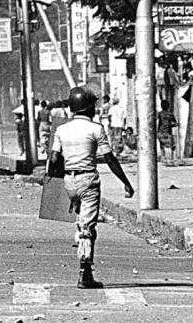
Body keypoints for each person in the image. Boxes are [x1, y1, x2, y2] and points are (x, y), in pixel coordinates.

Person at [49, 87, 134, 289]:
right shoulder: (96, 129)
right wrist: (126, 182)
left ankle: (80, 243)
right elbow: (110, 159)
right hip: (88, 180)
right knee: (88, 227)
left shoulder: (62, 129)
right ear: (88, 108)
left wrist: (57, 181)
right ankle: (85, 273)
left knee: (81, 220)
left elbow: (53, 159)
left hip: (69, 180)